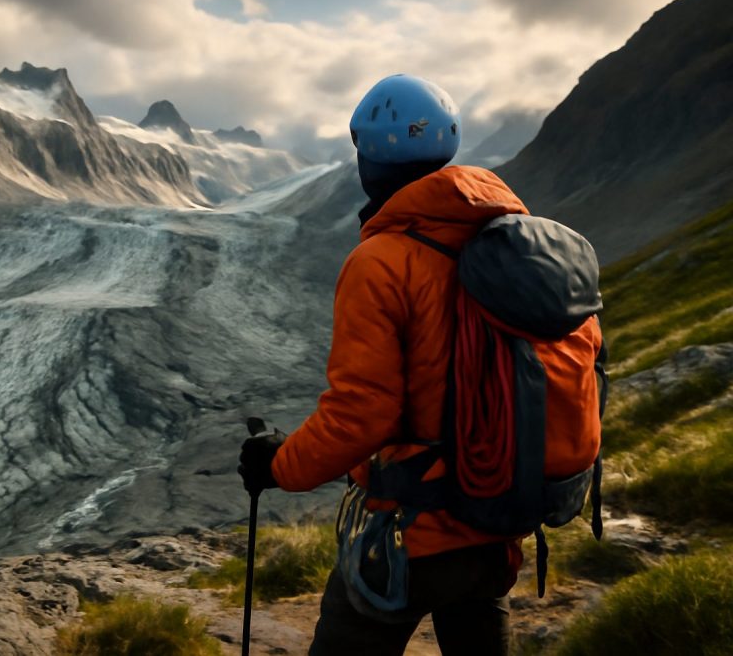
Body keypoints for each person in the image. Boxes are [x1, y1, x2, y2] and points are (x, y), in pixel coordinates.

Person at [238, 74, 603, 655]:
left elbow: (362, 414)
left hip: (412, 531)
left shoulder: (382, 261)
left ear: (369, 159)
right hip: (495, 519)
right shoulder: (526, 249)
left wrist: (279, 466)